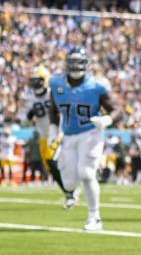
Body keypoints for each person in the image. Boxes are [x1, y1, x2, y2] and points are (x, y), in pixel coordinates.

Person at [48, 48, 123, 231]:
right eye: (72, 62)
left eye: (78, 62)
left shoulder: (96, 86)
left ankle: (94, 217)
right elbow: (53, 109)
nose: (75, 66)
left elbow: (117, 109)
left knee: (87, 173)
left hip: (90, 133)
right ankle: (77, 189)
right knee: (69, 183)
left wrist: (107, 119)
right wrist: (52, 130)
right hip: (68, 135)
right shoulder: (57, 83)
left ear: (86, 64)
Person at [23, 65, 68, 197]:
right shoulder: (30, 98)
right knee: (49, 165)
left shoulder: (52, 93)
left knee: (50, 158)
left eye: (38, 80)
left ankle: (68, 189)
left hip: (56, 131)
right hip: (43, 134)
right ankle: (68, 187)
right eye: (33, 80)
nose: (35, 83)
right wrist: (30, 115)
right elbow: (26, 119)